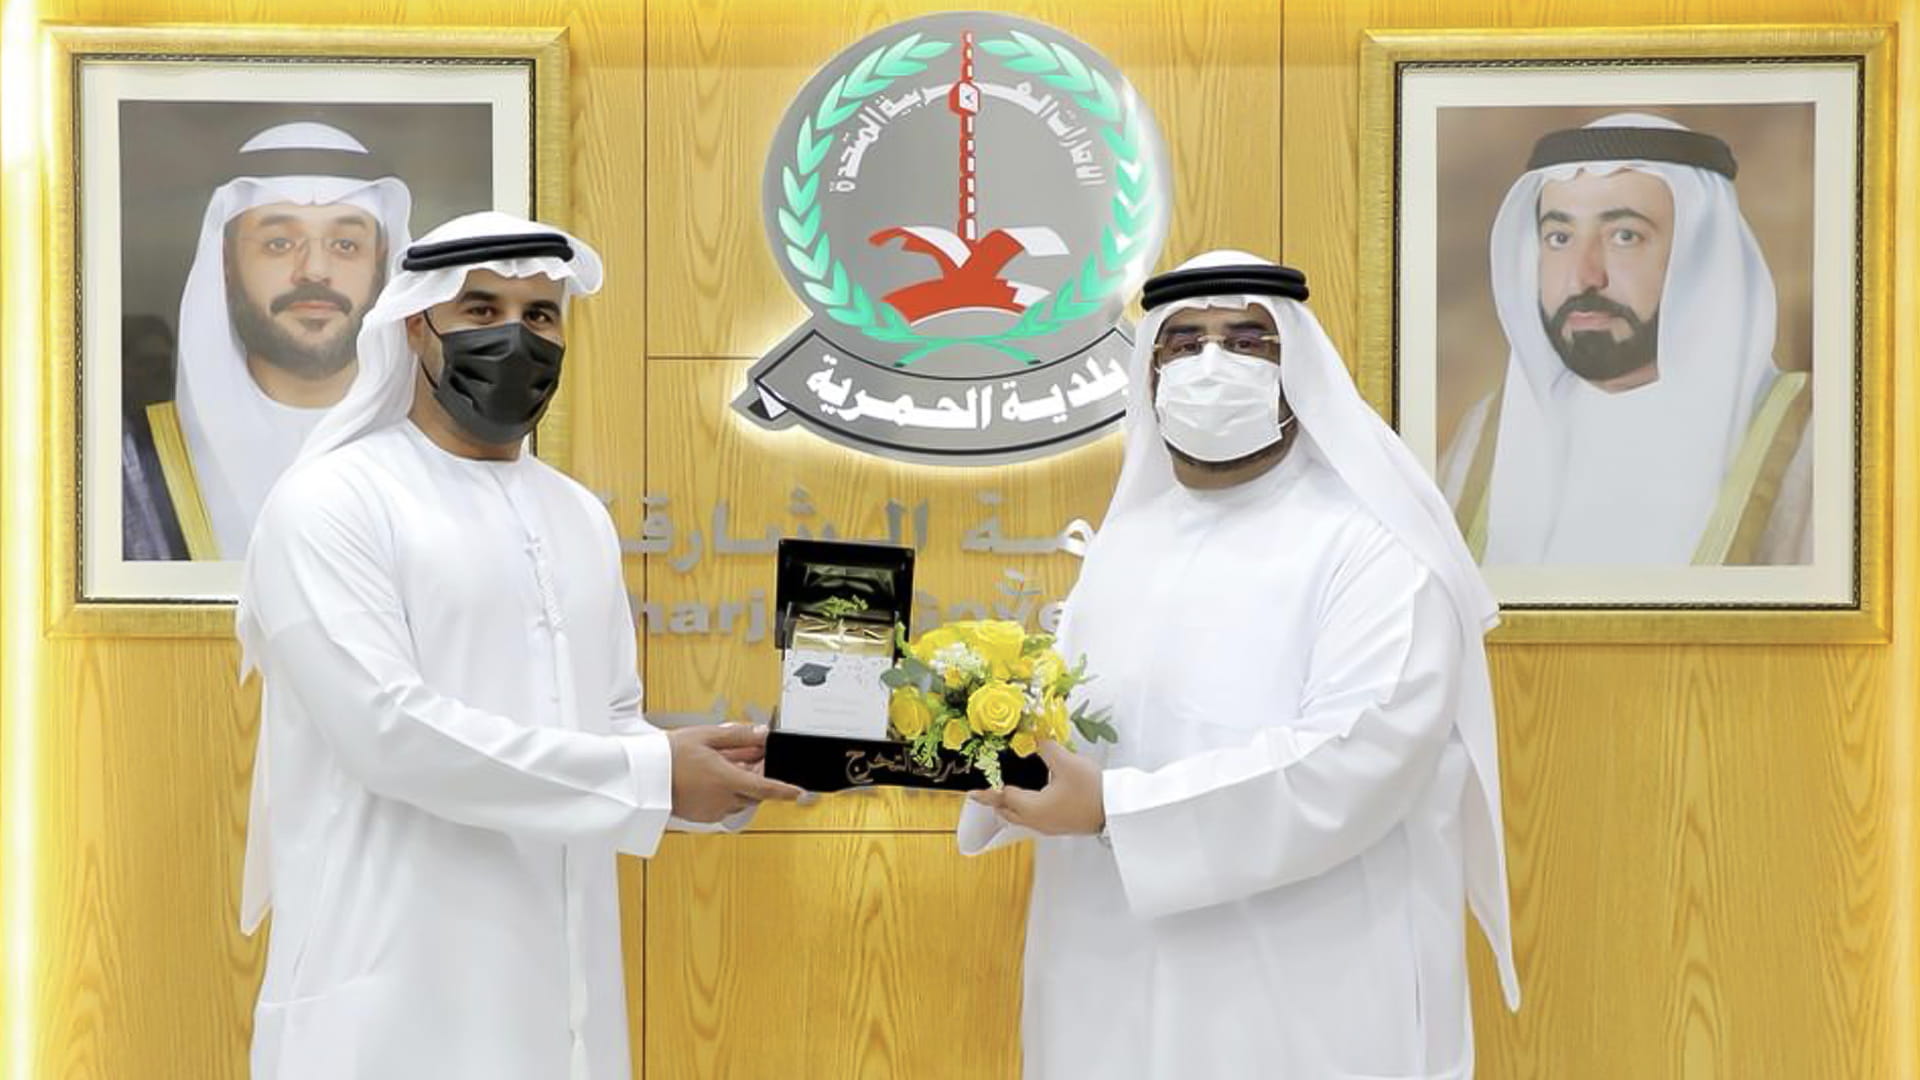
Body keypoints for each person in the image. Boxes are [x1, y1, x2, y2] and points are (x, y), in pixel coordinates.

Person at [235, 211, 804, 1080]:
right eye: (481, 310)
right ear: (415, 326)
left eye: (540, 315)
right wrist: (651, 776)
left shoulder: (575, 514)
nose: (515, 337)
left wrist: (710, 771)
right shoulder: (332, 501)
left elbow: (608, 722)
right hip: (390, 986)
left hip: (559, 983)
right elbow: (387, 733)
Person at [962, 251, 1518, 1078]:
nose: (1210, 364)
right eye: (1183, 343)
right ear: (1151, 370)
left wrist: (1117, 810)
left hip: (1303, 982)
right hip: (1105, 969)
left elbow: (1358, 754)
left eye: (1247, 340)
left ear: (1297, 368)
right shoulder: (1126, 546)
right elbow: (1072, 734)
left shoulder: (1374, 548)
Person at [1439, 113, 1810, 566]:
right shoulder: (1486, 435)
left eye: (1625, 236)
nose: (1583, 277)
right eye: (1559, 238)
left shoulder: (1806, 438)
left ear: (1700, 259)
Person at [123, 121, 411, 560]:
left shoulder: (437, 448)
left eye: (345, 245)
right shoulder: (137, 462)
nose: (315, 270)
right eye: (278, 243)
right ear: (225, 263)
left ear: (381, 263)